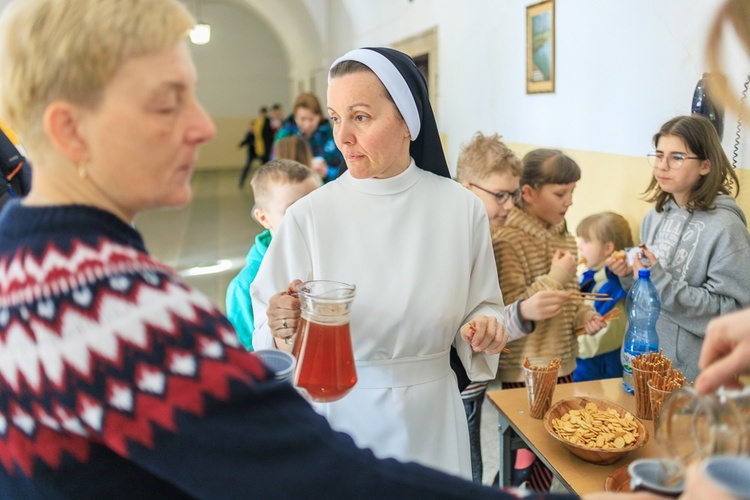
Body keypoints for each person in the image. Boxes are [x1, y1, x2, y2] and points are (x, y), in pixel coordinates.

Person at [0, 2, 592, 498]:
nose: (206, 126)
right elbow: (303, 472)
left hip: (428, 406)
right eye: (167, 100)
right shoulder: (112, 308)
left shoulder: (26, 264)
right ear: (69, 130)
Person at [251, 47, 511, 479]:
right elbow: (267, 328)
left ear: (408, 122)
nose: (342, 137)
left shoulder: (461, 209)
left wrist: (486, 325)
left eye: (361, 117)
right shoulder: (309, 216)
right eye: (336, 118)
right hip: (339, 414)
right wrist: (280, 326)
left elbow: (484, 305)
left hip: (432, 416)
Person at [454, 131, 574, 483]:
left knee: (471, 469)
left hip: (471, 386)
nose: (509, 204)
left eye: (512, 194)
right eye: (500, 196)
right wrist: (524, 311)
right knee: (466, 473)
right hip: (457, 385)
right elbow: (475, 325)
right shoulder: (465, 244)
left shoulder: (489, 238)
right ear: (467, 189)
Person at [606, 114, 750, 384]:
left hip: (694, 378)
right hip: (643, 366)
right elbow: (646, 296)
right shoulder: (655, 215)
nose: (662, 166)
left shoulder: (726, 228)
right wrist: (629, 274)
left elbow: (732, 315)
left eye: (677, 157)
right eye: (659, 155)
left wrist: (657, 279)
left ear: (706, 165)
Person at [493, 148, 606, 490]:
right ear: (527, 193)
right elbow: (513, 308)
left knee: (553, 448)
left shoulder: (566, 239)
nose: (569, 201)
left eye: (572, 192)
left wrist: (584, 316)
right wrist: (556, 275)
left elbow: (570, 300)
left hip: (564, 363)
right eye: (560, 193)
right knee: (524, 454)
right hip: (525, 369)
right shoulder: (507, 239)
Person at [226, 159, 321, 350]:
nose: (309, 219)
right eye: (292, 211)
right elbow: (247, 357)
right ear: (263, 217)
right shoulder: (244, 285)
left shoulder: (328, 254)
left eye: (316, 205)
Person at [573, 212, 632, 382]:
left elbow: (602, 340)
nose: (580, 247)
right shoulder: (589, 277)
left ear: (608, 248)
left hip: (598, 375)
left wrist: (565, 347)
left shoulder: (616, 290)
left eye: (586, 241)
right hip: (581, 370)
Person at [273, 92, 345, 182]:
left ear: (320, 116)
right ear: (295, 117)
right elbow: (273, 167)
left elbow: (345, 167)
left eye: (311, 119)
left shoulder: (330, 134)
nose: (307, 124)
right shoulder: (285, 135)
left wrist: (327, 172)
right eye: (302, 119)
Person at [237, 119, 257, 188]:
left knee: (264, 167)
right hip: (251, 153)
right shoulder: (249, 134)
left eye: (254, 126)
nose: (253, 128)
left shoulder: (259, 133)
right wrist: (241, 144)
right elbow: (245, 140)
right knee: (247, 166)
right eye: (252, 126)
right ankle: (241, 181)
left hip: (259, 152)